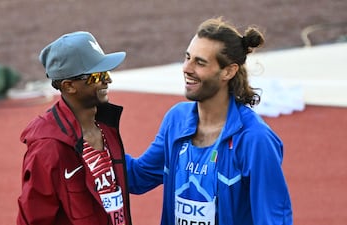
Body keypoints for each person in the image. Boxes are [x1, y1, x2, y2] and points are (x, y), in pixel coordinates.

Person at [125, 17, 293, 225]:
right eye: (187, 57)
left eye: (200, 62)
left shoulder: (255, 140)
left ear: (228, 71)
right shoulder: (176, 120)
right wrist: (94, 134)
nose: (187, 68)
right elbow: (138, 178)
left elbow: (274, 219)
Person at [17, 31, 132, 225]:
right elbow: (34, 218)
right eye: (98, 75)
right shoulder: (49, 146)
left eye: (107, 72)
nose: (108, 80)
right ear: (69, 86)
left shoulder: (105, 127)